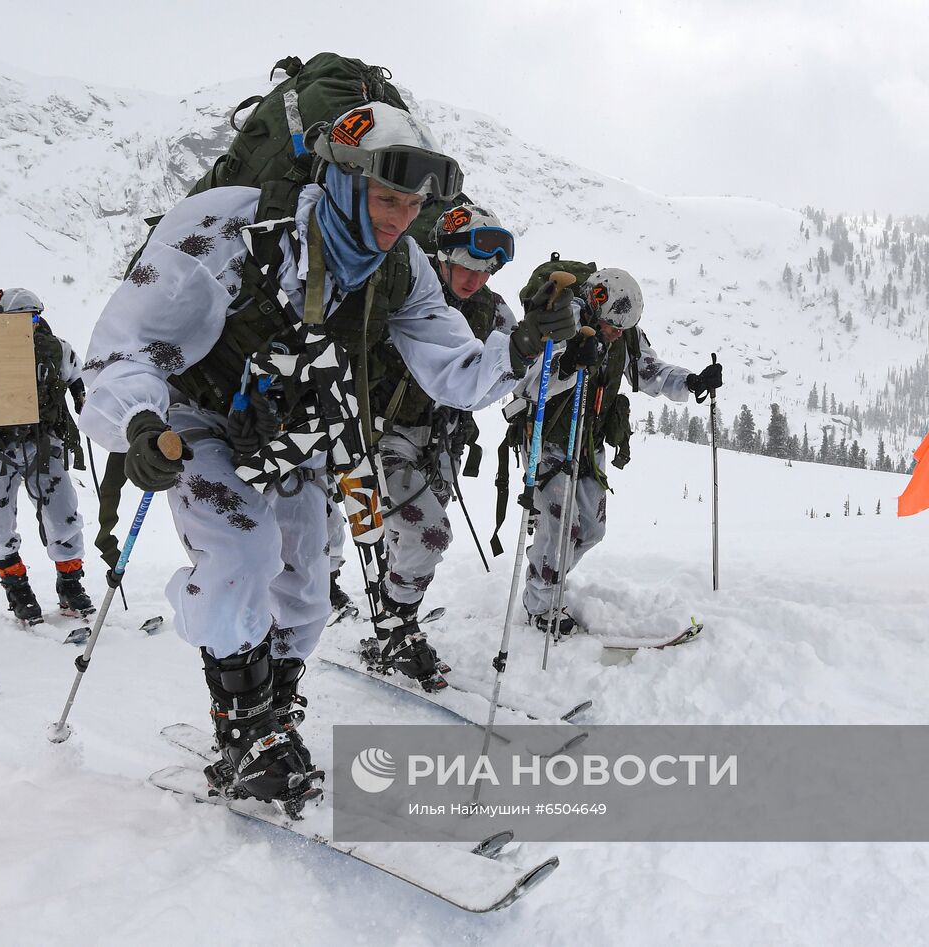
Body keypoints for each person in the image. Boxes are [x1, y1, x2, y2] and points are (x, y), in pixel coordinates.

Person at [79, 102, 579, 809]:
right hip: (192, 415)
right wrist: (136, 423)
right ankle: (246, 733)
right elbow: (126, 347)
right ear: (343, 180)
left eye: (411, 205)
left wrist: (522, 346)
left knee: (307, 592)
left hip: (293, 427)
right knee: (240, 558)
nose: (399, 218)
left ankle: (274, 709)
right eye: (385, 198)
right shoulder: (228, 227)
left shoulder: (400, 268)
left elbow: (455, 371)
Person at [328, 203, 518, 690]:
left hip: (443, 439)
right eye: (467, 265)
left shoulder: (495, 312)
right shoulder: (405, 289)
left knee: (414, 537)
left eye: (486, 269)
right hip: (377, 433)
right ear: (442, 255)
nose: (475, 279)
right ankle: (394, 624)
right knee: (425, 533)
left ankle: (393, 616)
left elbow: (518, 364)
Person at [510, 263, 724, 633]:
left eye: (621, 328)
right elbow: (528, 383)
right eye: (611, 325)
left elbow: (649, 371)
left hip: (588, 442)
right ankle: (540, 605)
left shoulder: (623, 335)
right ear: (595, 302)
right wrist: (571, 363)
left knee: (591, 530)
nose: (614, 333)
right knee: (562, 527)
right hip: (549, 441)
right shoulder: (563, 321)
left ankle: (548, 571)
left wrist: (690, 381)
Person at [0, 288, 93, 624]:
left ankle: (70, 583)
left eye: (33, 317)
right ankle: (16, 588)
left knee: (64, 511)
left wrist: (84, 403)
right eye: (17, 318)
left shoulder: (55, 349)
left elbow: (76, 376)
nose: (26, 325)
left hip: (42, 442)